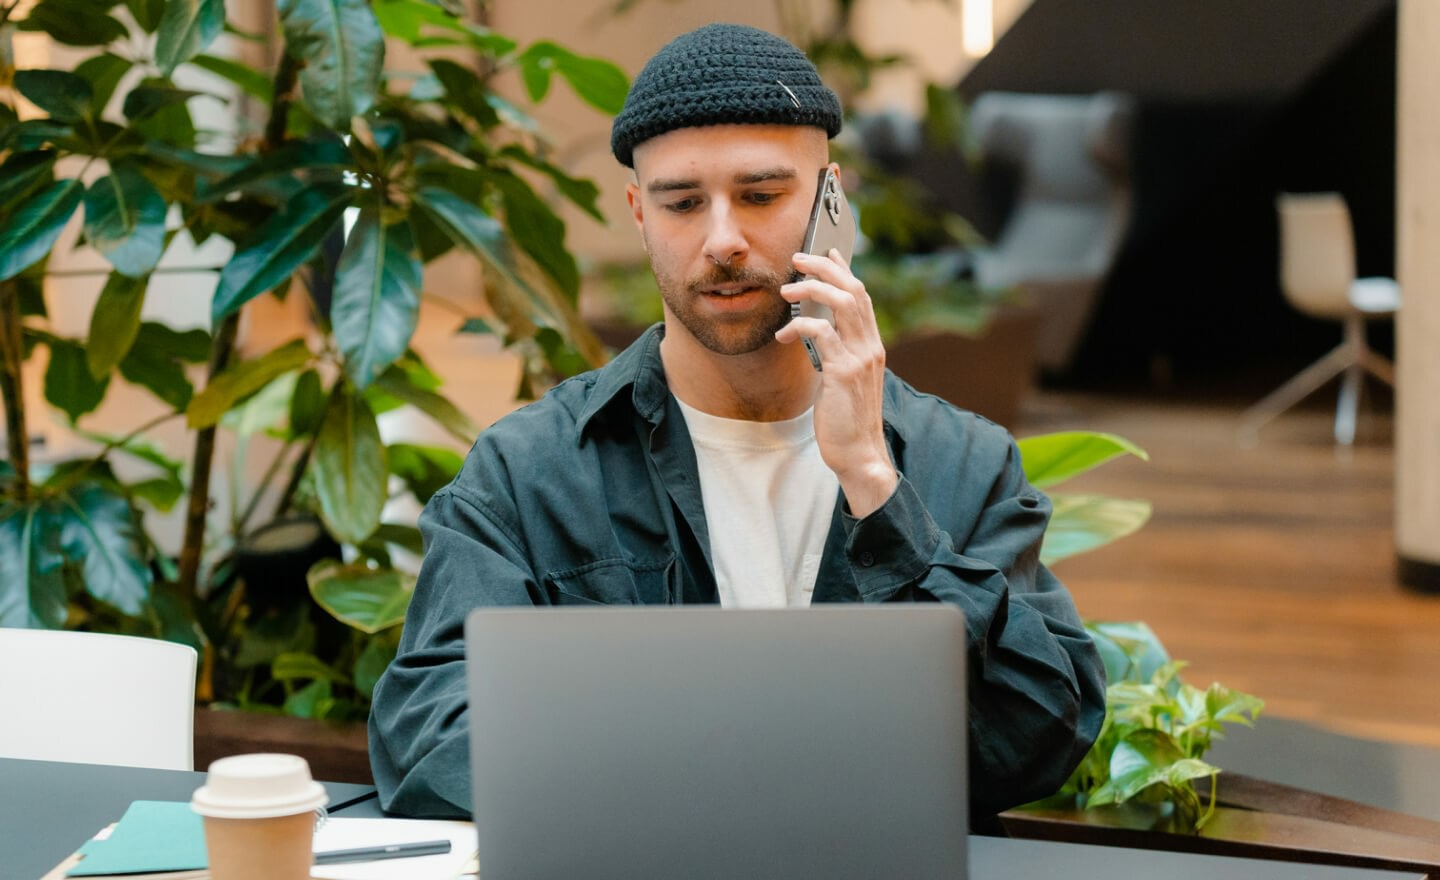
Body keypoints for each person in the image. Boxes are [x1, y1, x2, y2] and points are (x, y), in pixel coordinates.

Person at [369, 22, 1105, 822]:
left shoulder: (960, 462)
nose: (722, 240)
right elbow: (432, 732)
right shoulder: (532, 472)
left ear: (832, 201)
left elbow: (1041, 734)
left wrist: (874, 485)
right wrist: (705, 798)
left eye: (760, 196)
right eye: (682, 203)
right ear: (639, 215)